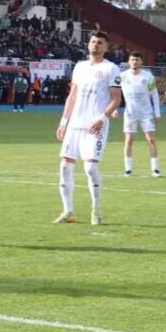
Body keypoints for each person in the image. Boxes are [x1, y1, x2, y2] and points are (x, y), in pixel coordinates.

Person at [54, 30, 123, 226]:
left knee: (90, 168)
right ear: (88, 44)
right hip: (75, 125)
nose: (95, 45)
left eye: (100, 42)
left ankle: (96, 208)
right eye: (93, 41)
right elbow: (72, 97)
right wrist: (63, 122)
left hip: (95, 126)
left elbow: (116, 99)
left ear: (106, 47)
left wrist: (102, 118)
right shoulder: (80, 67)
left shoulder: (111, 69)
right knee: (65, 166)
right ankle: (68, 210)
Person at [117, 52, 162, 177]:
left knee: (151, 139)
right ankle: (128, 169)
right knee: (129, 140)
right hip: (130, 113)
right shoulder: (122, 76)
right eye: (132, 60)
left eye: (137, 60)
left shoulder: (147, 76)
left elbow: (154, 94)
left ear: (141, 62)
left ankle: (155, 169)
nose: (134, 62)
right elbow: (114, 92)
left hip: (146, 113)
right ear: (128, 61)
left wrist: (157, 113)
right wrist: (114, 108)